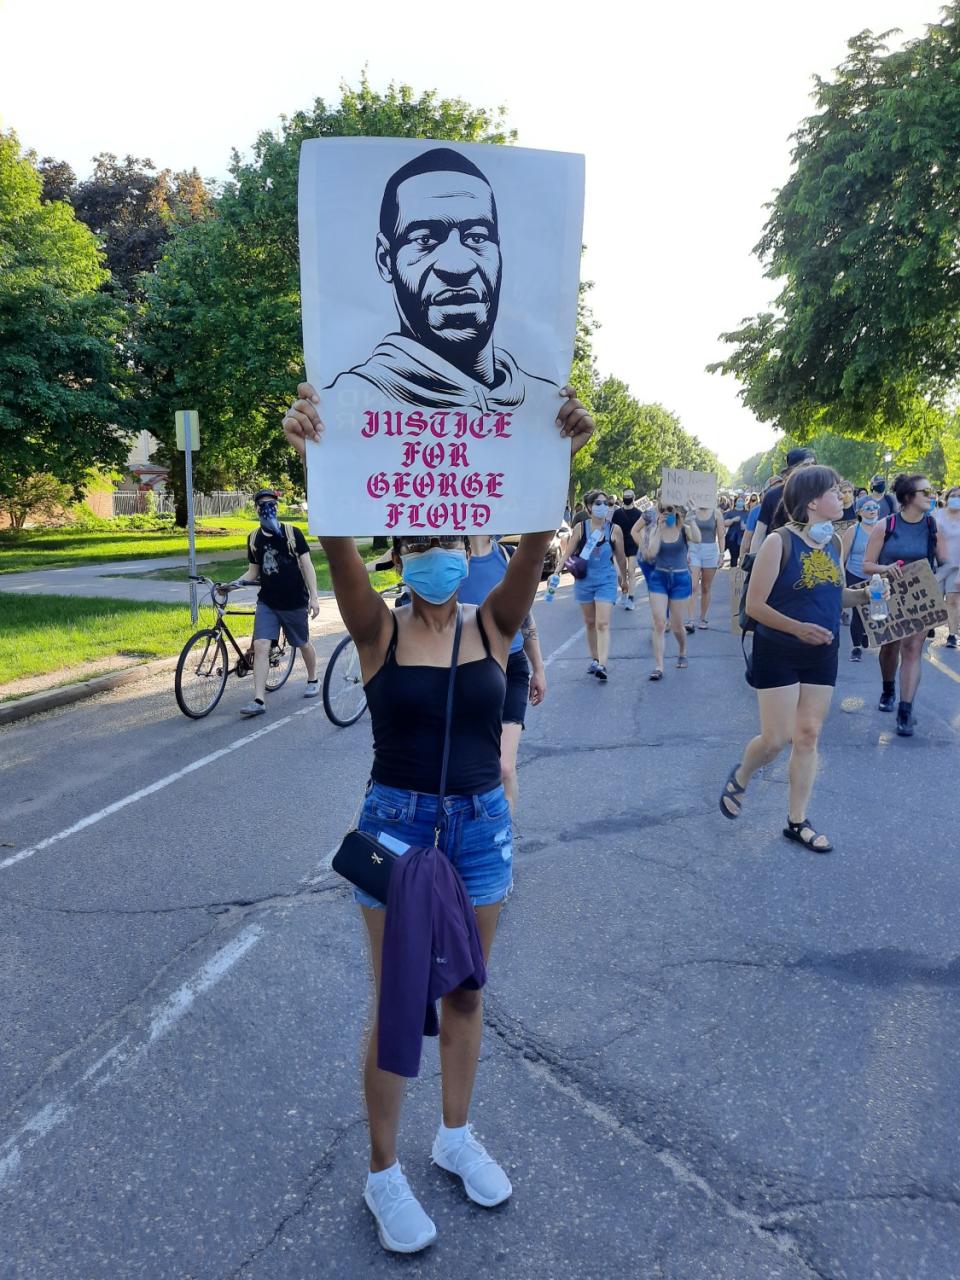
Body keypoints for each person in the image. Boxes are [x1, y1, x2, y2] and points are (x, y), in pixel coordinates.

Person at [282, 381, 593, 1255]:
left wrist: (558, 451)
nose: (433, 551)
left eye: (446, 538)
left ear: (468, 543)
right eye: (415, 540)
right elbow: (335, 536)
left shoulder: (496, 624)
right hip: (396, 828)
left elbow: (537, 539)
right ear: (399, 551)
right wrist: (319, 457)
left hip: (482, 829)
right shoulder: (376, 631)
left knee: (463, 991)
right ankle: (384, 1175)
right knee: (395, 1001)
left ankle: (454, 1137)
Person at [718, 466, 884, 852]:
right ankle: (742, 773)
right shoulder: (779, 542)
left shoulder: (835, 544)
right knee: (776, 740)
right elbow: (755, 605)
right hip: (778, 649)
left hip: (823, 653)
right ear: (812, 501)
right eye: (835, 491)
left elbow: (833, 594)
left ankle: (797, 821)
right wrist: (797, 628)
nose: (844, 496)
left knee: (808, 736)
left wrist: (866, 595)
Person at [325, 148, 554, 411]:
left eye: (477, 237)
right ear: (385, 260)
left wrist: (562, 449)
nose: (457, 267)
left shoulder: (541, 411)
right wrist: (314, 449)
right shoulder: (345, 407)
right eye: (425, 239)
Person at [459, 535, 546, 814]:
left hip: (512, 667)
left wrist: (539, 669)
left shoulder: (508, 556)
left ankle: (502, 841)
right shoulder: (452, 558)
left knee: (504, 767)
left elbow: (526, 618)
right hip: (467, 670)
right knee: (469, 765)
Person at [862, 473, 948, 735]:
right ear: (909, 497)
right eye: (926, 492)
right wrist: (886, 568)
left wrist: (933, 579)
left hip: (919, 596)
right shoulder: (885, 526)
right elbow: (867, 565)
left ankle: (905, 710)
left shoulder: (933, 527)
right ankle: (888, 688)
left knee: (912, 649)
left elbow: (946, 563)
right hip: (887, 595)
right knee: (890, 647)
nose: (931, 496)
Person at [227, 488, 321, 716]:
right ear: (256, 509)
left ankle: (313, 678)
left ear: (277, 507)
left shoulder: (292, 533)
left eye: (271, 504)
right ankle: (259, 700)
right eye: (262, 504)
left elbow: (307, 566)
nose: (267, 508)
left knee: (302, 642)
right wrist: (231, 585)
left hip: (294, 601)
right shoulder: (253, 539)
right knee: (260, 646)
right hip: (267, 602)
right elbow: (252, 573)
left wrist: (314, 597)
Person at [636, 500, 700, 679]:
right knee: (659, 622)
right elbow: (651, 553)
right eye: (662, 510)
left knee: (678, 626)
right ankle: (659, 666)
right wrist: (657, 529)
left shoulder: (684, 529)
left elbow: (698, 538)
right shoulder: (658, 528)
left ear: (676, 511)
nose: (665, 513)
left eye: (669, 509)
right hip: (659, 578)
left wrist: (692, 518)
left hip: (680, 579)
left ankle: (682, 651)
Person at [567, 491, 627, 681]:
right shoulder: (580, 528)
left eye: (606, 503)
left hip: (606, 580)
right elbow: (567, 552)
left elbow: (620, 557)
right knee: (590, 622)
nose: (603, 506)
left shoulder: (614, 530)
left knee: (602, 623)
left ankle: (602, 664)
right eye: (598, 503)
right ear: (589, 507)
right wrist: (555, 573)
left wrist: (623, 579)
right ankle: (594, 659)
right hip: (584, 580)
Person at [751, 447, 817, 554]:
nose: (810, 470)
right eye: (805, 465)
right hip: (778, 555)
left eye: (813, 465)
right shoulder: (772, 496)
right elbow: (759, 533)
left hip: (812, 556)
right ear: (791, 470)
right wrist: (753, 561)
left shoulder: (820, 494)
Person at [840, 494, 881, 660]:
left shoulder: (883, 528)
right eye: (868, 508)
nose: (872, 511)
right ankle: (856, 647)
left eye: (875, 507)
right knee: (858, 611)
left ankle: (865, 632)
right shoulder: (853, 530)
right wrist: (840, 577)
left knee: (874, 608)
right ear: (859, 512)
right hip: (855, 574)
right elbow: (842, 556)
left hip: (876, 576)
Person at [686, 501, 724, 629]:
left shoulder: (716, 513)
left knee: (706, 587)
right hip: (694, 549)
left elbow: (721, 535)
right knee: (693, 586)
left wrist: (722, 554)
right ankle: (690, 620)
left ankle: (703, 618)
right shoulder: (692, 511)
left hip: (710, 551)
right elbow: (686, 532)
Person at [935, 485, 960, 648]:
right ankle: (928, 626)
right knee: (934, 599)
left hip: (957, 566)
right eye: (954, 495)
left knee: (952, 600)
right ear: (947, 497)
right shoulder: (936, 515)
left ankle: (952, 634)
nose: (956, 499)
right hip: (937, 565)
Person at [611, 488, 641, 609]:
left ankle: (631, 598)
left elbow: (641, 530)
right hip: (620, 544)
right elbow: (612, 529)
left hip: (633, 544)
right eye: (625, 495)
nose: (627, 497)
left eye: (629, 496)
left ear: (633, 498)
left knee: (632, 572)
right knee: (621, 574)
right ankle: (624, 591)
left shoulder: (639, 513)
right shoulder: (617, 513)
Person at [724, 497, 746, 568]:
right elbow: (724, 523)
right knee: (734, 558)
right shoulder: (730, 512)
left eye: (742, 501)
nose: (740, 502)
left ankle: (742, 575)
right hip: (732, 539)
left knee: (743, 558)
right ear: (735, 503)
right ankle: (733, 575)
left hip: (744, 538)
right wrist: (733, 520)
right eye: (739, 501)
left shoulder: (748, 512)